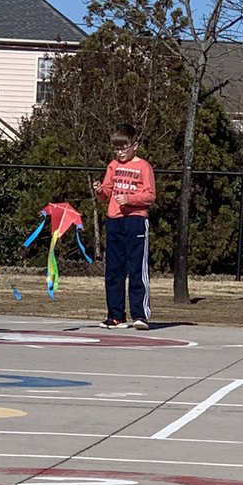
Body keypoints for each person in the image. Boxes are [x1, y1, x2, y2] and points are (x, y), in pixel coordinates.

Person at [93, 123, 156, 330]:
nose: (120, 153)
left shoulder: (143, 167)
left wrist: (130, 199)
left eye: (124, 148)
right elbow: (105, 193)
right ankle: (115, 316)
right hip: (115, 220)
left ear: (134, 146)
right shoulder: (113, 166)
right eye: (116, 149)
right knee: (113, 269)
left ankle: (140, 315)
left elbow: (150, 196)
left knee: (136, 268)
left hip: (135, 220)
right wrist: (99, 190)